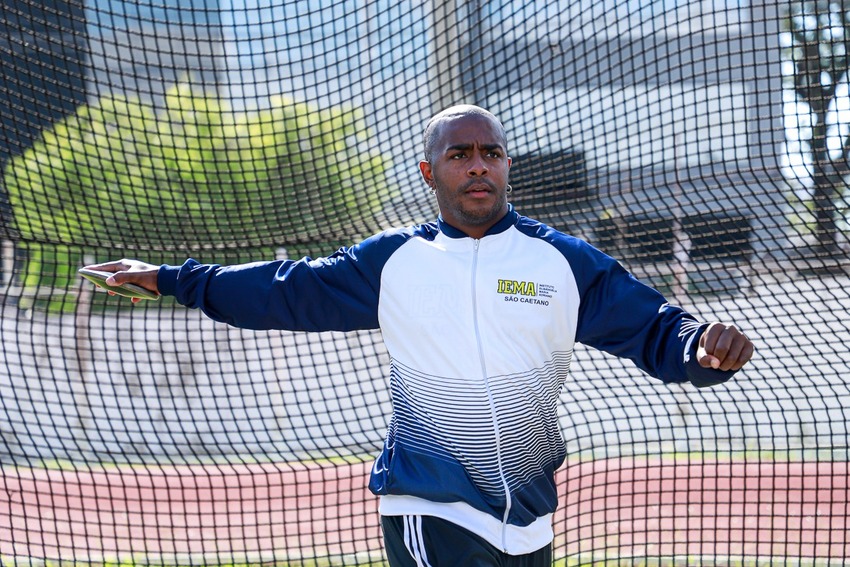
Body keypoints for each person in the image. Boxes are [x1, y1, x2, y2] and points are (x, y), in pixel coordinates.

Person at [86, 104, 754, 566]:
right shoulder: (392, 261)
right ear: (431, 171)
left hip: (530, 515)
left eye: (490, 152)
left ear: (506, 166)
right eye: (459, 154)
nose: (477, 165)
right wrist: (174, 278)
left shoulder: (563, 261)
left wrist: (704, 348)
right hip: (429, 503)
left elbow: (658, 330)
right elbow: (283, 290)